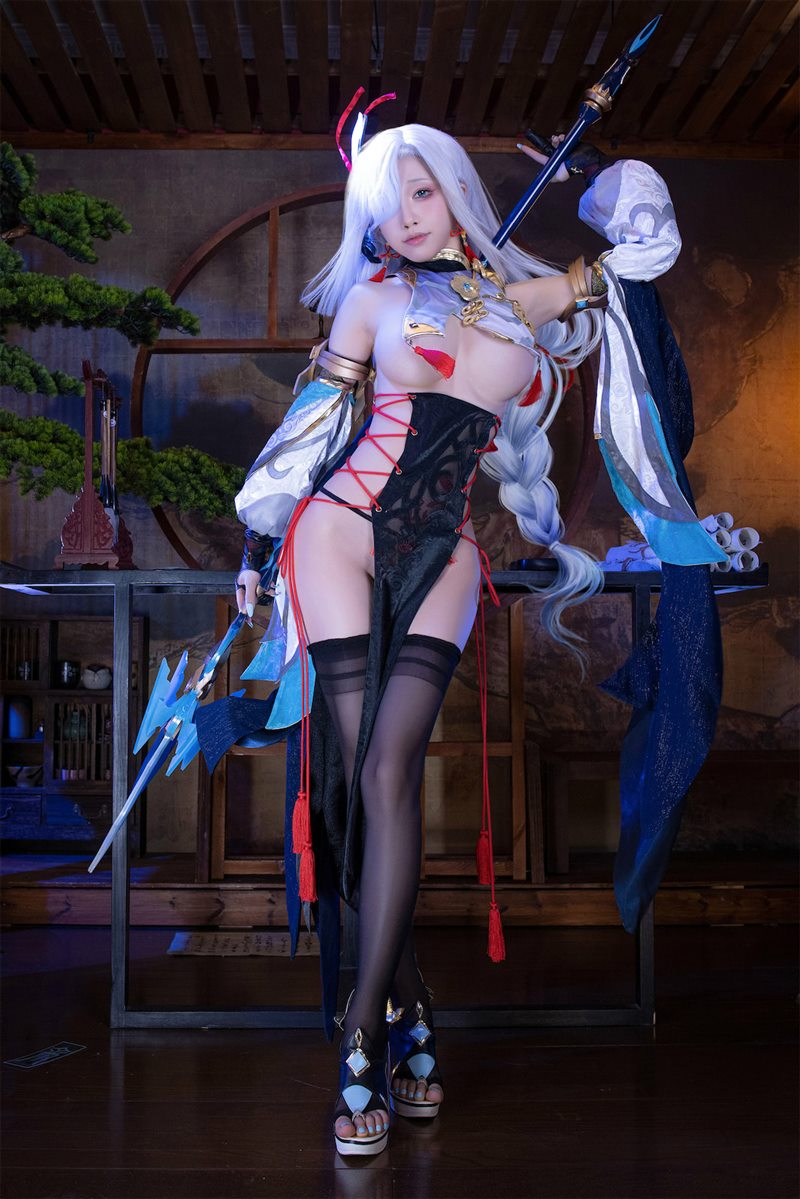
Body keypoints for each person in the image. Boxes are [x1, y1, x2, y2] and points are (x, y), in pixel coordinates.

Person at [204, 118, 724, 1158]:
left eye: (422, 191)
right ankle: (377, 1028)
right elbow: (312, 426)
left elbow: (647, 248)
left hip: (443, 547)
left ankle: (389, 1005)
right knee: (367, 770)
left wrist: (588, 177)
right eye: (385, 201)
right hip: (340, 532)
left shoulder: (531, 302)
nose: (404, 216)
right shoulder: (371, 298)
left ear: (453, 192)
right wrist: (258, 542)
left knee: (391, 766)